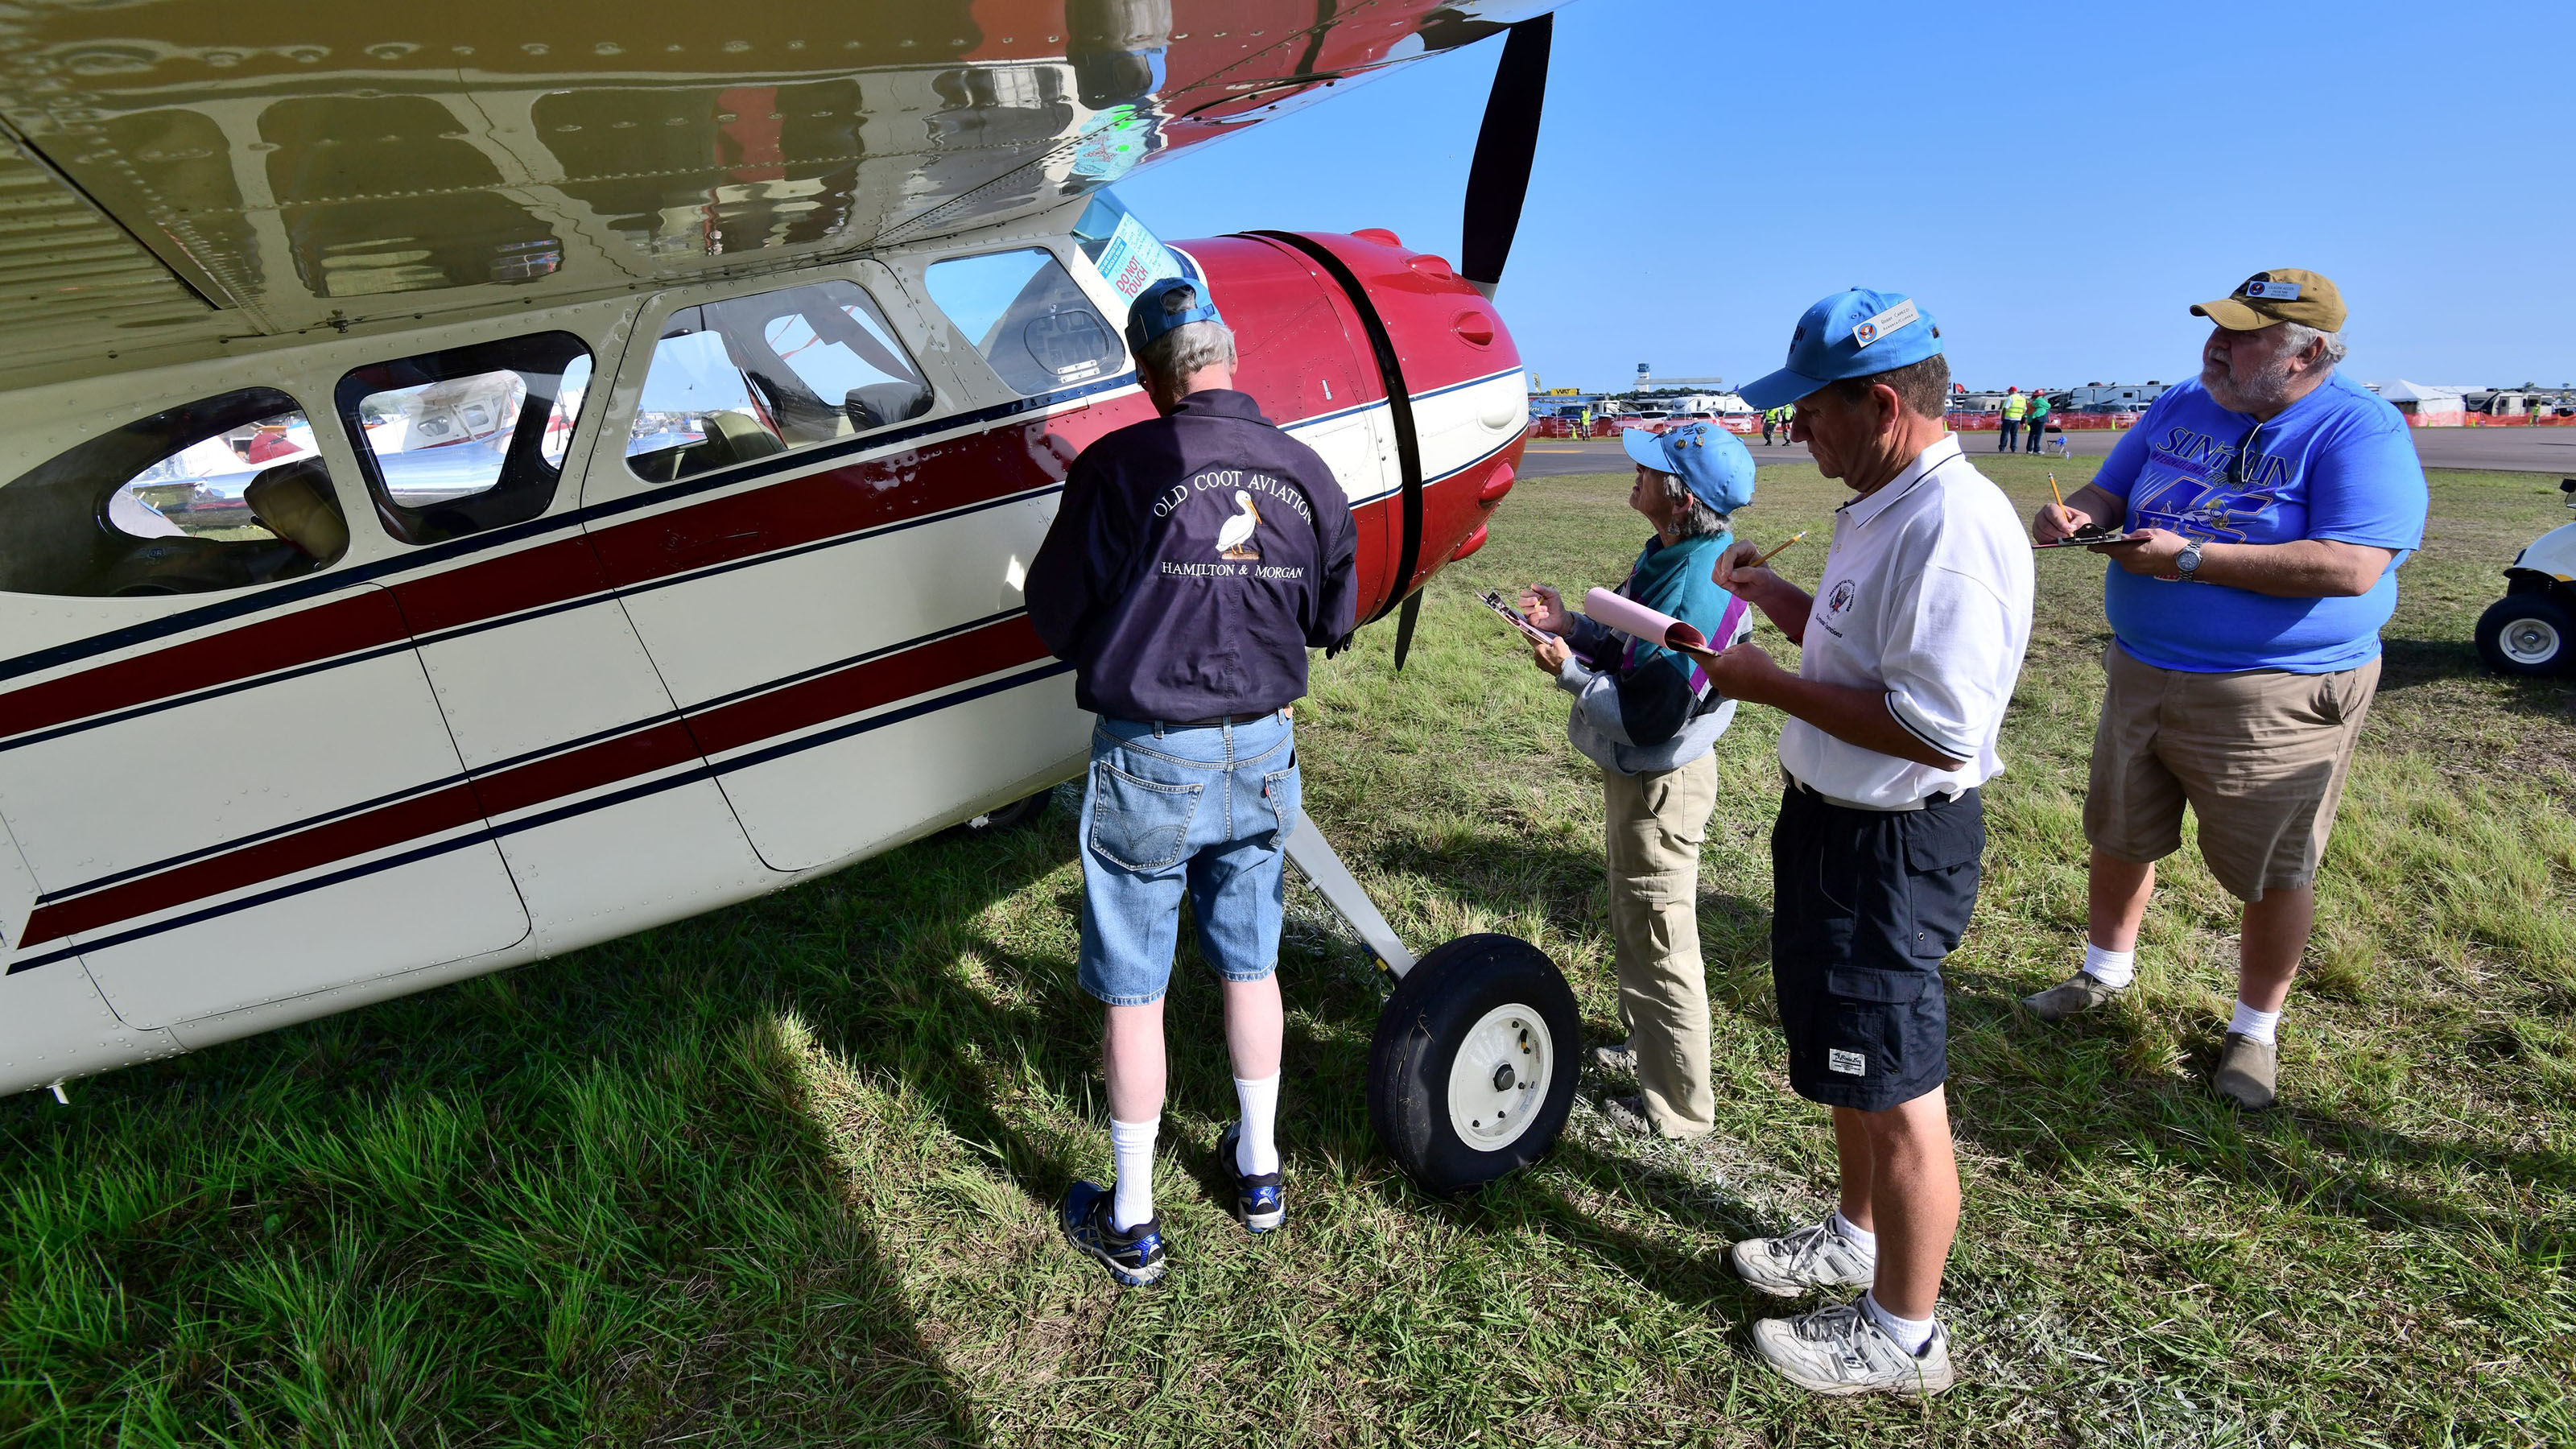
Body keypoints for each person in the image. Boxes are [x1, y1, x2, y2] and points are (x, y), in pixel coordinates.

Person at [1698, 287, 2033, 1397]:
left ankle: (1905, 1335)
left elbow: (1937, 730)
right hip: (1834, 829)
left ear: (1884, 404)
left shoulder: (1949, 531)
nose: (1798, 433)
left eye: (1812, 412)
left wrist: (1762, 683)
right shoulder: (1884, 500)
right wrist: (1779, 600)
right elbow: (1863, 652)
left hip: (1890, 847)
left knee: (1898, 1088)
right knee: (1853, 1057)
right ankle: (1856, 1234)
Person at [2023, 269, 2426, 1109]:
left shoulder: (2359, 429)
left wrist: (2189, 559)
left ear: (2306, 353)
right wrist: (2078, 517)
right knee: (2120, 830)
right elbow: (2107, 490)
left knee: (2272, 867)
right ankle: (2103, 974)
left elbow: (2351, 567)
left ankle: (2251, 1031)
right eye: (2216, 328)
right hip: (2142, 663)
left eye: (2242, 335)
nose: (2216, 346)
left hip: (2275, 690)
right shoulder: (2181, 401)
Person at [1026, 276, 1359, 1286]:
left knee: (1136, 989)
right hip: (1261, 749)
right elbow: (1330, 615)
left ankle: (1131, 1220)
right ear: (1228, 357)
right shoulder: (1303, 470)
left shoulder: (1118, 467)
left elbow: (1054, 615)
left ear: (1144, 369)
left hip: (1152, 747)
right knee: (1251, 962)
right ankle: (1258, 1170)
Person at [1516, 422, 1758, 1141]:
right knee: (1634, 915)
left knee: (1660, 935)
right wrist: (1574, 629)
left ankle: (1679, 1108)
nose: (1637, 475)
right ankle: (1647, 1043)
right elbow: (1629, 646)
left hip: (1662, 781)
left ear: (1680, 499)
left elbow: (1652, 713)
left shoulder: (1698, 581)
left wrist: (1568, 673)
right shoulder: (1671, 552)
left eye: (1651, 470)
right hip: (1642, 777)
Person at [1998, 386, 2025, 452]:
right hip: (2017, 419)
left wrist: (2003, 416)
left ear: (2012, 391)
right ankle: (2014, 448)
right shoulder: (2022, 399)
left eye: (2009, 391)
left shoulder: (2011, 398)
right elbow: (2025, 409)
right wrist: (2020, 415)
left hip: (2008, 418)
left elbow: (2005, 408)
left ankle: (2002, 448)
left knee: (2005, 433)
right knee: (2014, 434)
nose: (2008, 393)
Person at [2023, 388, 2050, 453]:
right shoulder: (2040, 400)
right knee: (2038, 434)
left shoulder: (2031, 401)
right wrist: (2044, 407)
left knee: (2032, 434)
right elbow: (2048, 406)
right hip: (2039, 418)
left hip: (2032, 419)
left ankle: (2029, 449)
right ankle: (2037, 449)